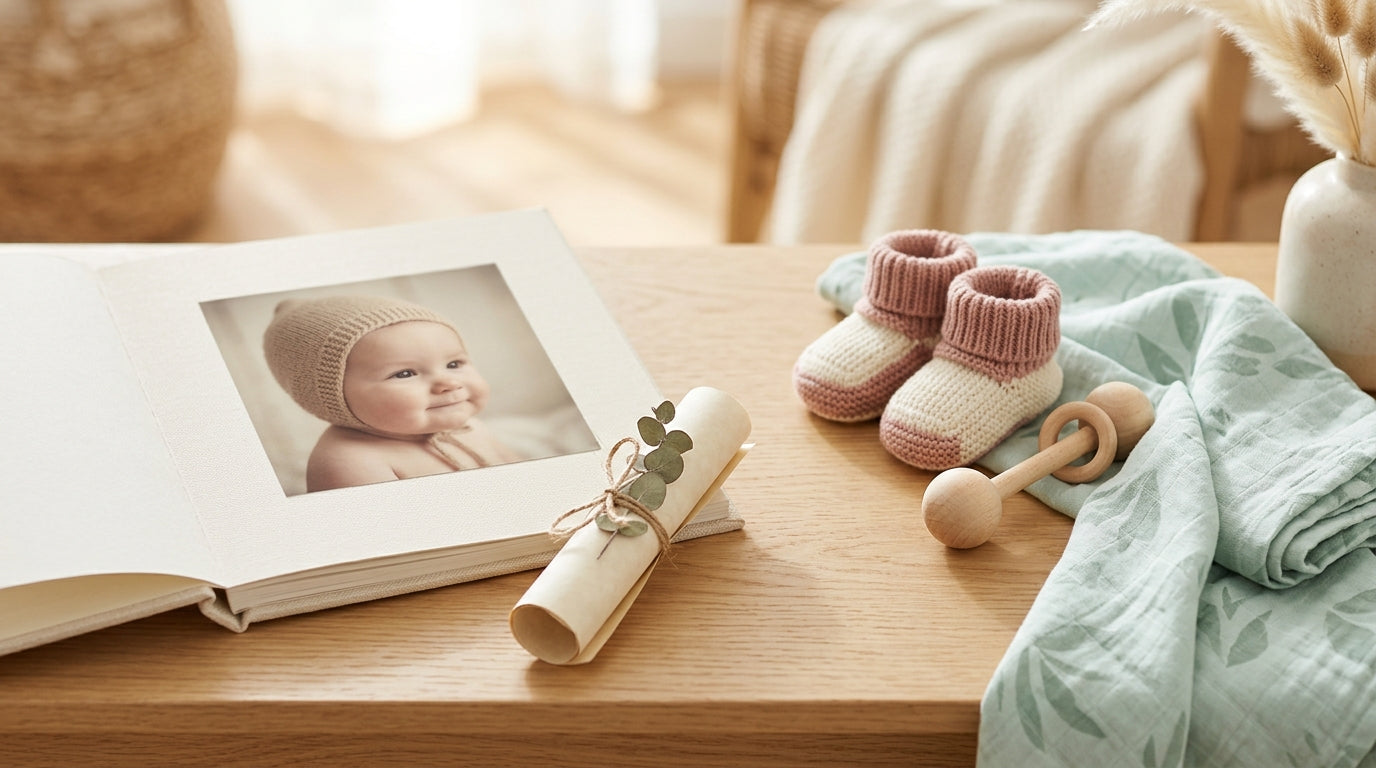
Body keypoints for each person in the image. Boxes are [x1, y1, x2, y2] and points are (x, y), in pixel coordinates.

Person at [263, 294, 521, 493]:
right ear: (330, 396)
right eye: (405, 373)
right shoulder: (349, 462)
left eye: (454, 364)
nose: (449, 383)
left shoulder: (469, 427)